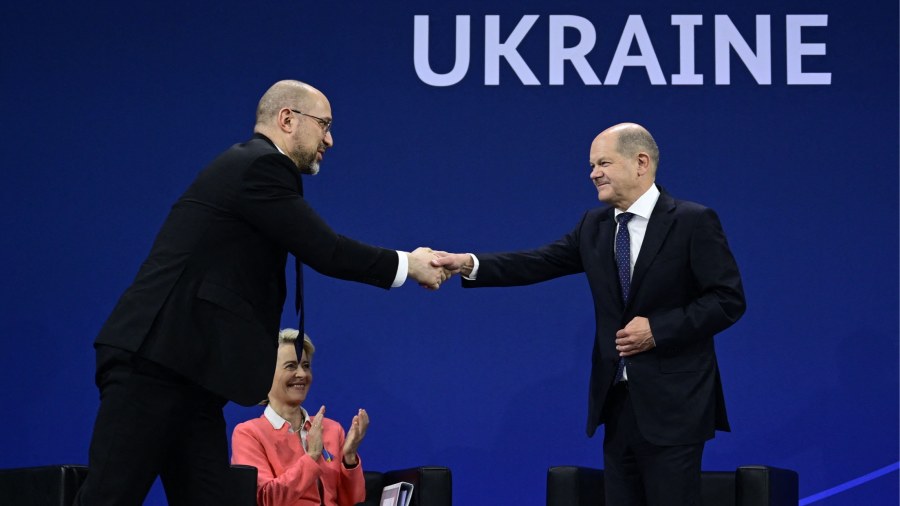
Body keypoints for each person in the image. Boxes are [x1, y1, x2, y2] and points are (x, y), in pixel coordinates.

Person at [74, 80, 447, 506]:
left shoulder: (253, 171)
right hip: (155, 363)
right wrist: (408, 264)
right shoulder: (259, 166)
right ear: (287, 119)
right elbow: (328, 250)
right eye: (323, 124)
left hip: (195, 377)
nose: (330, 138)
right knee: (108, 498)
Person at [433, 124, 746, 506]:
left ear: (640, 163)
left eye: (603, 163)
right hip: (616, 402)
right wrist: (469, 263)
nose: (593, 173)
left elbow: (727, 299)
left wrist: (658, 329)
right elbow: (537, 262)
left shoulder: (693, 221)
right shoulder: (594, 226)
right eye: (591, 164)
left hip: (675, 405)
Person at [232, 329, 367, 506]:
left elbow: (354, 502)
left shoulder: (332, 429)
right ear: (266, 374)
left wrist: (349, 458)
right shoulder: (249, 434)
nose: (302, 374)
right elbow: (265, 500)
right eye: (291, 366)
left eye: (305, 366)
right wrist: (311, 457)